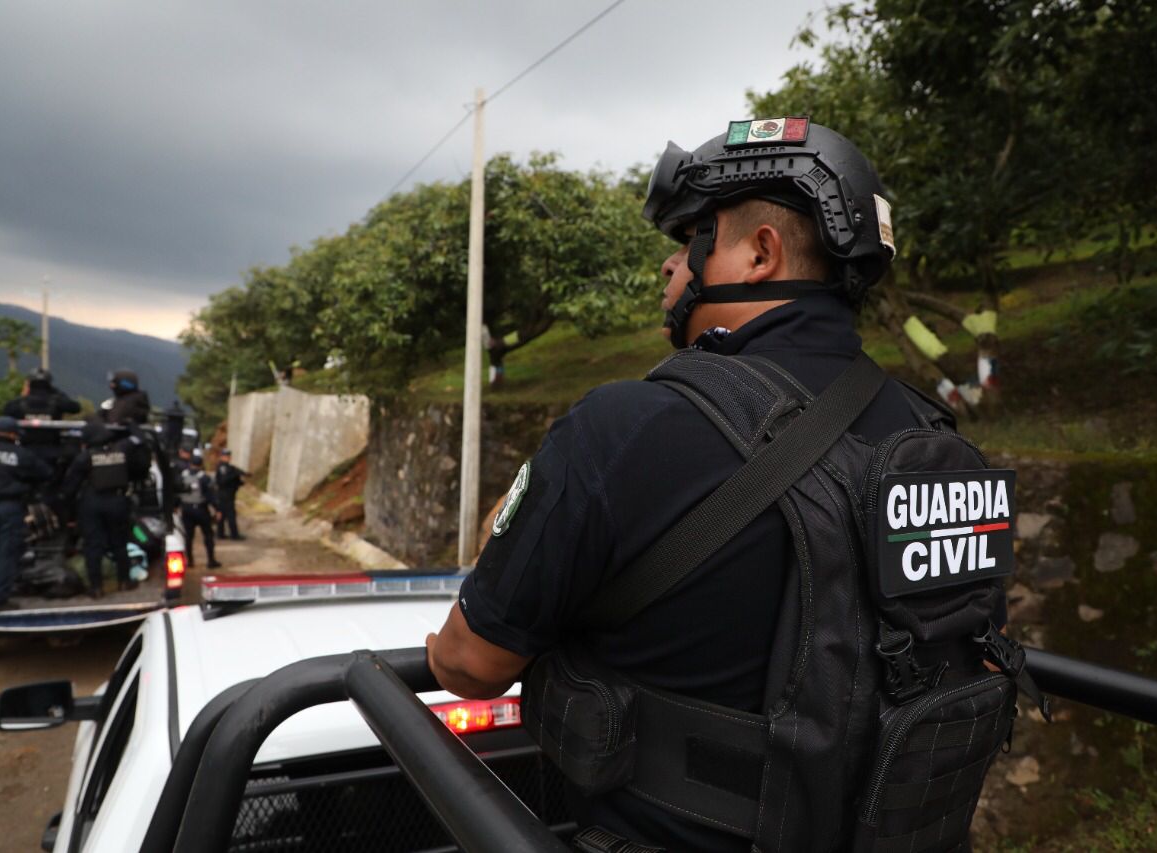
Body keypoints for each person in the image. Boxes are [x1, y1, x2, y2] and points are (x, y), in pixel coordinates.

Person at [426, 120, 1014, 851]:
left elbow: (468, 664)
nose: (671, 266)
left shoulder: (624, 427)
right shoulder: (939, 436)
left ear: (761, 253)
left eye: (693, 237)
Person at [0, 416, 51, 612]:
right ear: (13, 435)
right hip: (9, 509)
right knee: (5, 553)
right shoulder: (21, 455)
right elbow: (46, 473)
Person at [61, 421, 149, 597]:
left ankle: (96, 588)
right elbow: (140, 438)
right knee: (119, 543)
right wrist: (130, 424)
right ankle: (124, 581)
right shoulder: (122, 449)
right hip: (117, 502)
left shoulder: (85, 457)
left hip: (92, 503)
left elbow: (69, 488)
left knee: (93, 546)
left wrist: (68, 512)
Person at [177, 449, 221, 569]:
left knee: (188, 537)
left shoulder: (182, 476)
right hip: (201, 510)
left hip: (186, 510)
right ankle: (211, 561)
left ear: (190, 463)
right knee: (208, 535)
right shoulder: (204, 478)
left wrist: (176, 507)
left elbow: (176, 493)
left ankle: (190, 561)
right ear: (201, 465)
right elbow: (210, 496)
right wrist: (218, 509)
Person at [3, 368, 81, 420]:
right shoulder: (57, 401)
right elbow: (76, 408)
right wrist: (55, 391)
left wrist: (23, 395)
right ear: (49, 384)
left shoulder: (19, 403)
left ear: (29, 384)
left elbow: (6, 411)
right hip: (52, 443)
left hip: (24, 443)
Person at [214, 448, 245, 540]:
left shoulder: (228, 467)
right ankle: (233, 534)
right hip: (224, 495)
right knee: (230, 514)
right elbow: (223, 481)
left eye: (228, 456)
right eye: (226, 456)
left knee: (223, 514)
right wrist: (234, 475)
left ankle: (221, 533)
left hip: (227, 494)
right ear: (222, 457)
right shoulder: (222, 467)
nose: (228, 458)